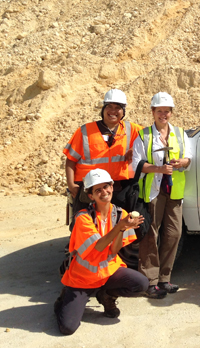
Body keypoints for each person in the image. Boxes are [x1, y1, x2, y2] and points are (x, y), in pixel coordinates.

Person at [54, 169, 149, 335]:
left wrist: (121, 229)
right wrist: (120, 226)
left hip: (107, 272)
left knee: (141, 284)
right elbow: (98, 246)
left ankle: (106, 296)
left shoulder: (121, 214)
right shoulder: (83, 218)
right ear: (91, 196)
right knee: (67, 328)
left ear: (112, 187)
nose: (104, 192)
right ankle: (63, 300)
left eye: (106, 187)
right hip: (82, 278)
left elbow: (114, 249)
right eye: (98, 190)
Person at [132, 92, 192, 299]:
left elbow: (189, 158)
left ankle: (164, 279)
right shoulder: (144, 135)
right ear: (152, 112)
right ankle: (150, 282)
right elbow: (137, 165)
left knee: (173, 234)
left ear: (171, 113)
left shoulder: (180, 134)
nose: (163, 114)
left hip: (173, 191)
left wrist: (182, 163)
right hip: (153, 192)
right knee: (151, 235)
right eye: (159, 111)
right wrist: (159, 169)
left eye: (166, 111)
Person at [63, 89, 142, 228]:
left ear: (123, 111)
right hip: (88, 188)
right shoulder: (85, 131)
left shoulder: (132, 129)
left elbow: (151, 140)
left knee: (115, 225)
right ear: (103, 109)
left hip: (117, 187)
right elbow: (70, 160)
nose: (113, 111)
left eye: (118, 107)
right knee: (84, 224)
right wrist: (71, 184)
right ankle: (77, 248)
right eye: (109, 107)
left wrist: (133, 149)